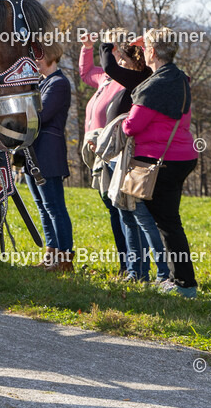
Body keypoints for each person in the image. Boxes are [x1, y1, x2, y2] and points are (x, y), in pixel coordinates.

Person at [122, 27, 199, 298]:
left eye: (145, 49)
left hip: (161, 161)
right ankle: (178, 279)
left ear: (153, 52)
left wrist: (122, 123)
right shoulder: (180, 79)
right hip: (182, 156)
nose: (142, 53)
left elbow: (132, 126)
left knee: (167, 223)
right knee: (169, 221)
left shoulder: (155, 86)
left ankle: (184, 284)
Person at [100, 36, 170, 283]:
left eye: (124, 58)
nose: (120, 61)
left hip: (132, 157)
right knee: (126, 214)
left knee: (140, 217)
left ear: (135, 60)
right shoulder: (136, 80)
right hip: (120, 157)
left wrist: (106, 45)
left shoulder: (140, 80)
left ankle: (161, 273)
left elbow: (108, 66)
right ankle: (136, 272)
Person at [80, 30, 131, 274]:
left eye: (113, 49)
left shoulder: (124, 76)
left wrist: (106, 45)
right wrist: (87, 48)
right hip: (100, 152)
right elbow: (85, 73)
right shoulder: (105, 78)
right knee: (112, 208)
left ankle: (132, 266)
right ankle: (126, 265)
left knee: (120, 209)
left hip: (113, 151)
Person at [26, 42, 74, 272]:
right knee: (43, 207)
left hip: (48, 152)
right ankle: (51, 254)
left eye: (38, 56)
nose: (34, 61)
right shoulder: (41, 83)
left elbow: (40, 115)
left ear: (51, 57)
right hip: (33, 152)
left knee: (54, 207)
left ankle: (64, 259)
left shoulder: (59, 83)